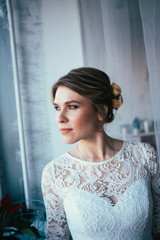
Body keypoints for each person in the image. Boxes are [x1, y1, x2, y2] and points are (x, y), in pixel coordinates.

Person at [41, 67, 160, 240]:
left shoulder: (145, 155)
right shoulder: (55, 172)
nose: (60, 118)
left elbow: (158, 226)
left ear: (101, 111)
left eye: (72, 106)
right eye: (57, 108)